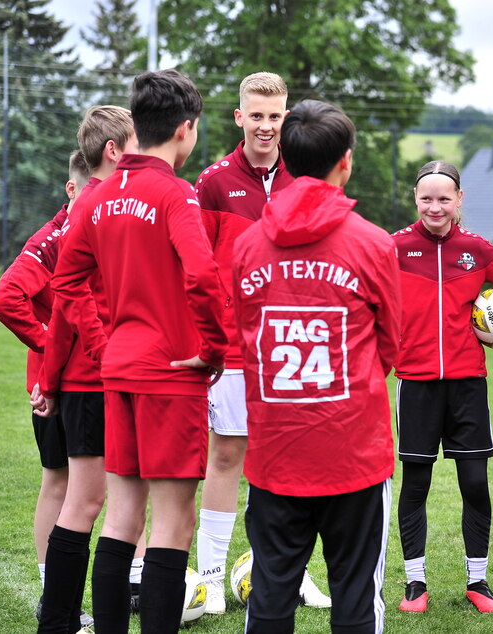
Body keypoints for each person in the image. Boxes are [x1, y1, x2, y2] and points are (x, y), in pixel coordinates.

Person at [49, 69, 228, 633]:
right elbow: (202, 274)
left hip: (119, 370)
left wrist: (105, 344)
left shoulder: (98, 197)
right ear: (186, 129)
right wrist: (213, 347)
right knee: (173, 522)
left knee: (122, 516)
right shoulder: (176, 193)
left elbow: (66, 281)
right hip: (171, 372)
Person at [232, 99, 401, 633]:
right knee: (355, 599)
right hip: (353, 453)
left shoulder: (245, 246)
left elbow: (244, 338)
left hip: (275, 453)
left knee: (271, 600)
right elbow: (391, 346)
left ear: (281, 153)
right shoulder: (374, 244)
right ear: (345, 162)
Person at [193, 71, 329, 613]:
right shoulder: (214, 181)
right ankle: (207, 576)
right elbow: (197, 269)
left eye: (276, 117)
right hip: (234, 344)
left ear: (287, 118)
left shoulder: (304, 178)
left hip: (293, 345)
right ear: (239, 117)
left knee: (290, 460)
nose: (267, 126)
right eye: (257, 115)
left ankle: (286, 573)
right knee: (227, 453)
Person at [391, 160, 493, 614]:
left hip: (467, 385)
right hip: (415, 383)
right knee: (415, 483)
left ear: (458, 201)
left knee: (474, 482)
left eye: (444, 199)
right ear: (415, 200)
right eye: (426, 198)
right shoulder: (394, 247)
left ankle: (478, 581)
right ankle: (415, 584)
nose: (435, 207)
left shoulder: (477, 249)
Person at [31, 105, 145, 634]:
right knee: (93, 501)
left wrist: (49, 378)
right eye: (137, 143)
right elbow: (69, 300)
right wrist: (102, 356)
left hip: (83, 378)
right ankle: (62, 619)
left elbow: (62, 305)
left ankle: (67, 618)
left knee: (93, 500)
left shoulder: (98, 203)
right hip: (96, 380)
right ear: (114, 151)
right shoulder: (102, 205)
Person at [0, 150, 91, 630]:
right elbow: (7, 297)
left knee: (95, 488)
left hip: (88, 378)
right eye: (90, 189)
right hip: (53, 385)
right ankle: (53, 593)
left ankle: (81, 594)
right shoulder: (51, 239)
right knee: (61, 483)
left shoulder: (100, 232)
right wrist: (49, 340)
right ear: (71, 190)